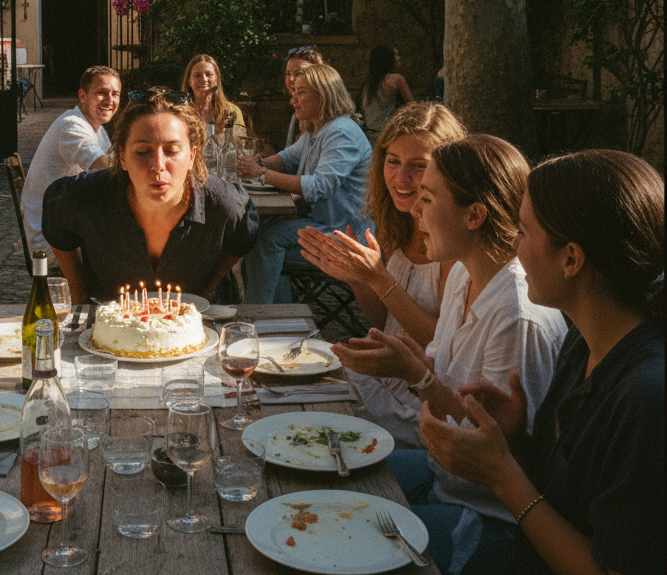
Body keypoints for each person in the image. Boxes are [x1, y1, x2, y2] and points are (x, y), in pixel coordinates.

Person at [330, 134, 567, 575]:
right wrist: (407, 362)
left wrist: (416, 376)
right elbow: (441, 373)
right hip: (442, 476)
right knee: (328, 484)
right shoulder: (462, 272)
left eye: (428, 197)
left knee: (336, 539)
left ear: (474, 215)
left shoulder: (517, 315)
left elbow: (500, 450)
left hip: (489, 519)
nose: (415, 209)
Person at [419, 150, 664, 575]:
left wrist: (503, 476)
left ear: (571, 259)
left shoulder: (645, 396)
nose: (514, 246)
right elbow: (568, 496)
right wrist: (515, 440)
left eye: (523, 232)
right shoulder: (585, 343)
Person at [296, 102, 467, 447]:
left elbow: (442, 341)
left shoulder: (453, 244)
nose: (401, 178)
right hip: (387, 380)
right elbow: (384, 319)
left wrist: (379, 279)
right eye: (393, 162)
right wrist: (358, 278)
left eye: (418, 166)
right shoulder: (393, 225)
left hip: (426, 403)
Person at [42, 88, 259, 304]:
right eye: (143, 152)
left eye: (172, 150)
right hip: (109, 329)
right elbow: (56, 224)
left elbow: (242, 237)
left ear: (192, 156)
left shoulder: (225, 204)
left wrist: (207, 290)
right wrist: (80, 296)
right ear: (122, 157)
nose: (158, 166)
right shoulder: (87, 196)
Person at [237, 63, 372, 304]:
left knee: (265, 243)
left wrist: (260, 174)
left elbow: (320, 186)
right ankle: (277, 319)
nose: (293, 101)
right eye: (294, 93)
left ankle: (261, 318)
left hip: (348, 236)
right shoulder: (317, 130)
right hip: (324, 224)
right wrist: (259, 164)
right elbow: (287, 158)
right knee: (261, 243)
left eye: (300, 93)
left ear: (323, 95)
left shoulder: (341, 132)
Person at [19, 65, 121, 260]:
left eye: (115, 94)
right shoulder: (72, 125)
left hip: (65, 227)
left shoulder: (96, 128)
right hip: (51, 243)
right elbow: (103, 166)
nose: (110, 100)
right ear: (82, 96)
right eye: (101, 93)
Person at [362, 43, 415, 144]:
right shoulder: (396, 79)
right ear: (388, 59)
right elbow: (413, 107)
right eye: (396, 55)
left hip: (370, 135)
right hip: (388, 135)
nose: (399, 58)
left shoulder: (369, 81)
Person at [181, 54, 246, 136]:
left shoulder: (231, 112)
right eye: (197, 75)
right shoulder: (179, 112)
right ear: (189, 81)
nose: (204, 79)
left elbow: (240, 145)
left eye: (209, 74)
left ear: (217, 79)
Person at [282, 45, 325, 147]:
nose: (291, 79)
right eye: (288, 74)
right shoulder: (296, 117)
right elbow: (290, 158)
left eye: (299, 73)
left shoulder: (328, 121)